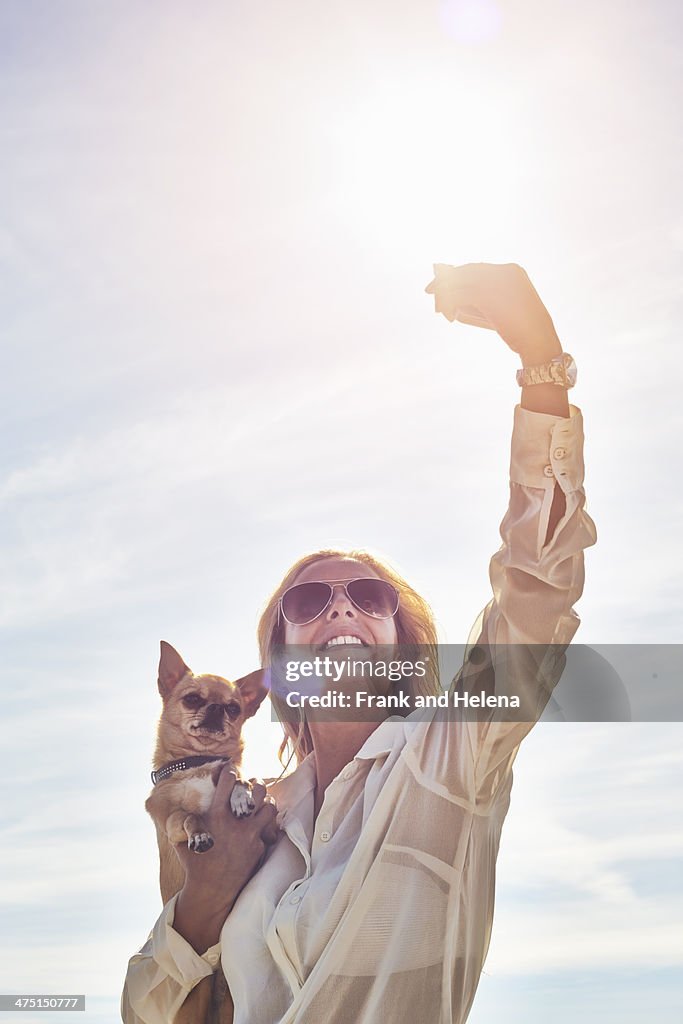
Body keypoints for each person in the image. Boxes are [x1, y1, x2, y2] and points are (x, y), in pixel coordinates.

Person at [121, 263, 597, 1024]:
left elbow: (537, 593)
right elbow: (146, 1009)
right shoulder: (254, 818)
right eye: (309, 601)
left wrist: (540, 364)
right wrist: (206, 896)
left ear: (401, 641)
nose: (341, 606)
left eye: (369, 597)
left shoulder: (451, 759)